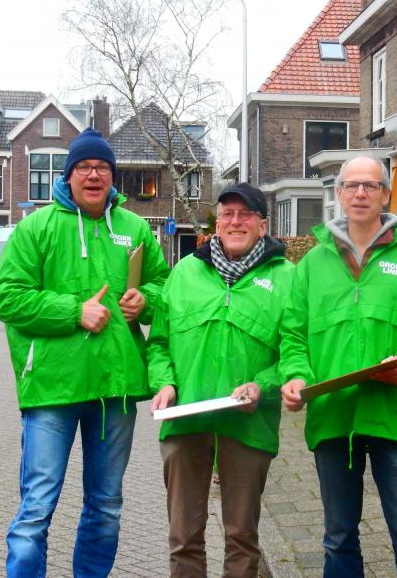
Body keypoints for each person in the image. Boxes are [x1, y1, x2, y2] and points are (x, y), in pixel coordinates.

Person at [0, 128, 169, 577]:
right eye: (84, 168)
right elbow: (8, 298)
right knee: (37, 507)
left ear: (113, 177)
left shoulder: (134, 229)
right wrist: (74, 311)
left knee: (106, 505)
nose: (94, 175)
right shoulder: (37, 227)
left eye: (103, 168)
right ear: (68, 175)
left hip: (115, 390)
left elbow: (163, 285)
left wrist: (144, 301)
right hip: (53, 388)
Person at [279, 156, 397, 578]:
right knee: (338, 538)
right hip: (333, 417)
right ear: (339, 194)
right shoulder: (311, 264)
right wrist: (296, 376)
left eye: (371, 185)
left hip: (395, 416)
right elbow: (293, 335)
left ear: (386, 193)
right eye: (351, 185)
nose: (360, 193)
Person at [148, 183, 293, 577]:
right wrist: (165, 384)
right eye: (227, 213)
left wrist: (262, 386)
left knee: (242, 536)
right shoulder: (184, 273)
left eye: (245, 214)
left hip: (248, 423)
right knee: (183, 538)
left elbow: (298, 353)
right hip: (186, 419)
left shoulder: (287, 278)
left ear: (263, 226)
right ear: (216, 223)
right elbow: (159, 343)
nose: (235, 221)